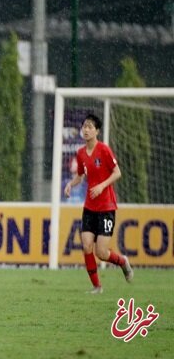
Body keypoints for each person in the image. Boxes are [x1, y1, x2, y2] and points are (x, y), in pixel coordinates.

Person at [64, 113, 133, 294]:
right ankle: (97, 286)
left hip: (106, 207)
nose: (86, 130)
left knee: (101, 252)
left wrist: (102, 186)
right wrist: (71, 184)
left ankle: (122, 261)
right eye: (84, 126)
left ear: (97, 131)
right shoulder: (80, 153)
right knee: (86, 245)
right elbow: (80, 176)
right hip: (89, 207)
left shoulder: (104, 150)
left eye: (90, 127)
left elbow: (117, 172)